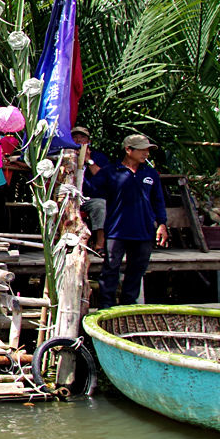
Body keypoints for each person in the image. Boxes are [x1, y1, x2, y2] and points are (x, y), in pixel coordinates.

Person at [97, 135, 170, 308]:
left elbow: (158, 201)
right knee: (110, 272)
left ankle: (128, 309)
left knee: (136, 273)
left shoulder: (150, 173)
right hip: (117, 231)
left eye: (148, 150)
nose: (146, 153)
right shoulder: (111, 171)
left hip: (144, 232)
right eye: (142, 149)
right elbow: (92, 190)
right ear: (128, 150)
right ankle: (105, 310)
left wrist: (162, 224)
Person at [72, 125, 113, 251]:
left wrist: (88, 160)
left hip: (90, 198)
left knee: (100, 205)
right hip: (69, 196)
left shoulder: (98, 157)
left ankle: (100, 244)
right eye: (75, 137)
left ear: (88, 141)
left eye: (82, 137)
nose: (79, 140)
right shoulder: (63, 155)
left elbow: (106, 178)